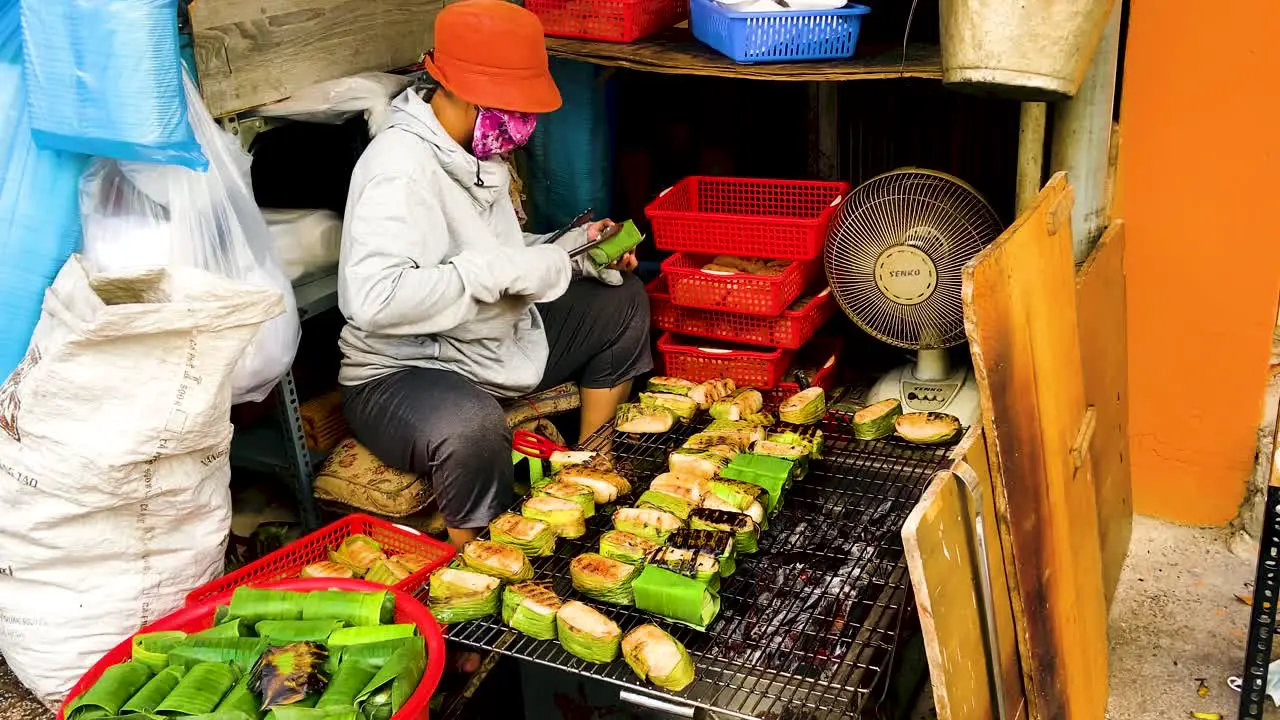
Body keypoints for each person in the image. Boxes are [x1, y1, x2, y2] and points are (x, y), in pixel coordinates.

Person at [337, 0, 651, 550]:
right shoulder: (398, 169)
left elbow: (495, 254)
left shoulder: (478, 152)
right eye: (511, 105)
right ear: (457, 88)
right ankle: (480, 565)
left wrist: (573, 249)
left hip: (490, 341)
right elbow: (373, 299)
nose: (523, 121)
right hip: (403, 370)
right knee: (474, 428)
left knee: (621, 299)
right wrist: (508, 269)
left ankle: (590, 467)